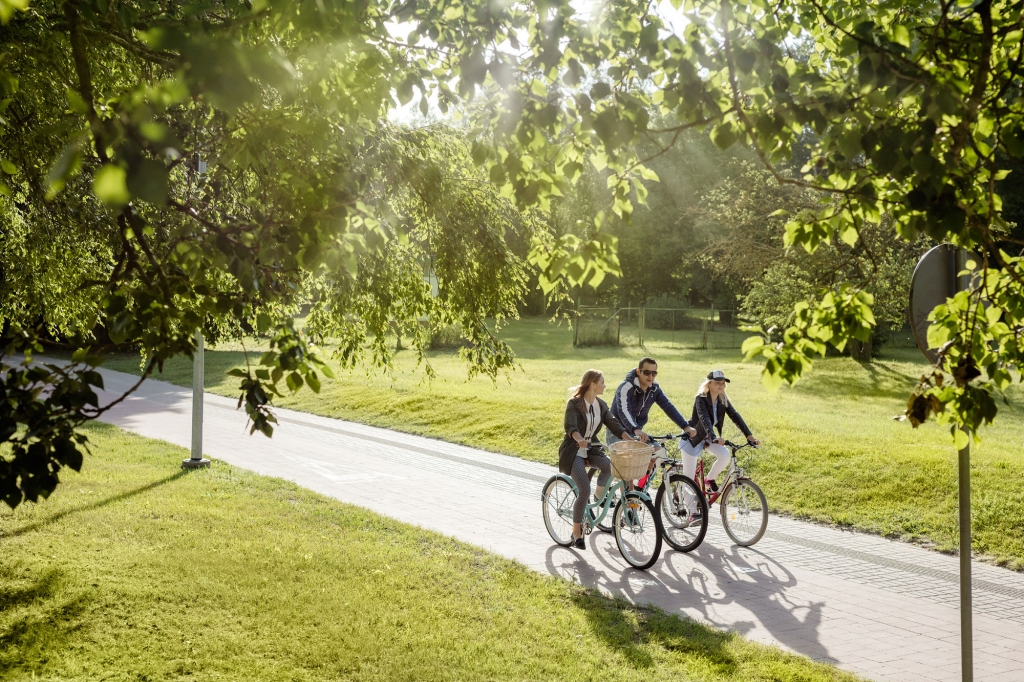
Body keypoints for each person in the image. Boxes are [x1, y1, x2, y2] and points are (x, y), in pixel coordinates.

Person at [558, 369, 631, 550]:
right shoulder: (574, 404)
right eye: (602, 383)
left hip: (592, 448)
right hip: (573, 450)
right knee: (583, 489)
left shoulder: (601, 405)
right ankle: (576, 532)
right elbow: (571, 427)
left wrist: (629, 438)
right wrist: (579, 439)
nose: (604, 386)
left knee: (611, 467)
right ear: (593, 384)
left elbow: (613, 424)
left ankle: (599, 496)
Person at [682, 369, 760, 502]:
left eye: (723, 383)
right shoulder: (700, 399)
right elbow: (704, 418)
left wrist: (749, 436)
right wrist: (714, 437)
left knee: (725, 456)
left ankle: (709, 478)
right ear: (709, 384)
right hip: (693, 439)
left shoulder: (722, 399)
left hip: (707, 438)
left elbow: (735, 416)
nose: (721, 386)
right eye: (718, 383)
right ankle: (692, 512)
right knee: (688, 478)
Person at [608, 357, 696, 447]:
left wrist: (686, 427)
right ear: (638, 371)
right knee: (629, 458)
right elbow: (623, 410)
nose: (650, 376)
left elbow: (668, 407)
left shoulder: (654, 389)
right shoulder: (626, 387)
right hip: (618, 431)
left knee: (657, 450)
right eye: (646, 373)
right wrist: (636, 429)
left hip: (637, 432)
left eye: (654, 373)